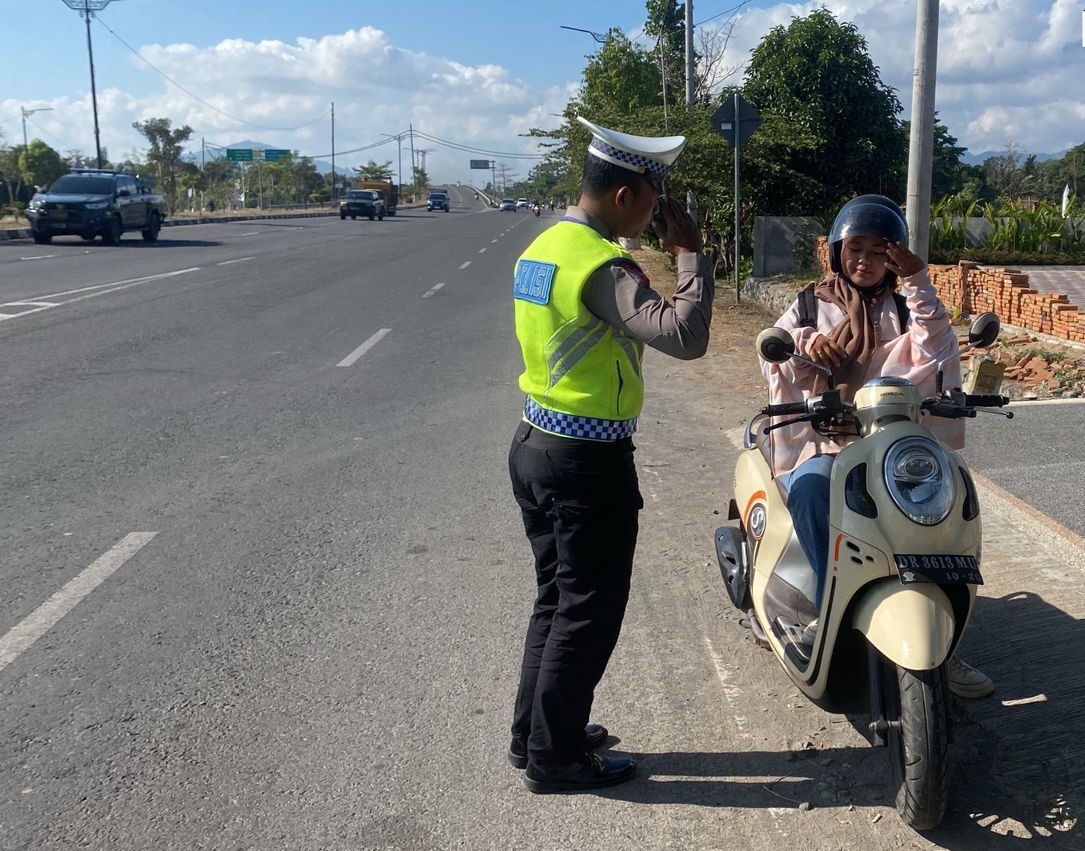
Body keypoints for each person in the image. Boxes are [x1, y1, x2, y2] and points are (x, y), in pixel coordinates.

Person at [508, 115, 715, 792]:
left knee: (555, 598)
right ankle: (557, 756)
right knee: (587, 610)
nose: (658, 214)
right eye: (654, 200)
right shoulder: (602, 264)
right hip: (583, 463)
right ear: (626, 195)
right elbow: (682, 336)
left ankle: (534, 734)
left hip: (535, 442)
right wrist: (689, 256)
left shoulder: (544, 247)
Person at [761, 194, 994, 700]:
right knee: (812, 490)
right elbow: (770, 347)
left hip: (893, 439)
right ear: (837, 252)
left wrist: (918, 279)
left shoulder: (905, 305)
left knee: (950, 496)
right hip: (827, 439)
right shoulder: (810, 303)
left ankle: (945, 642)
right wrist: (802, 341)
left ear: (895, 256)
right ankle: (827, 605)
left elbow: (936, 344)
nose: (864, 260)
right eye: (854, 248)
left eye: (878, 251)